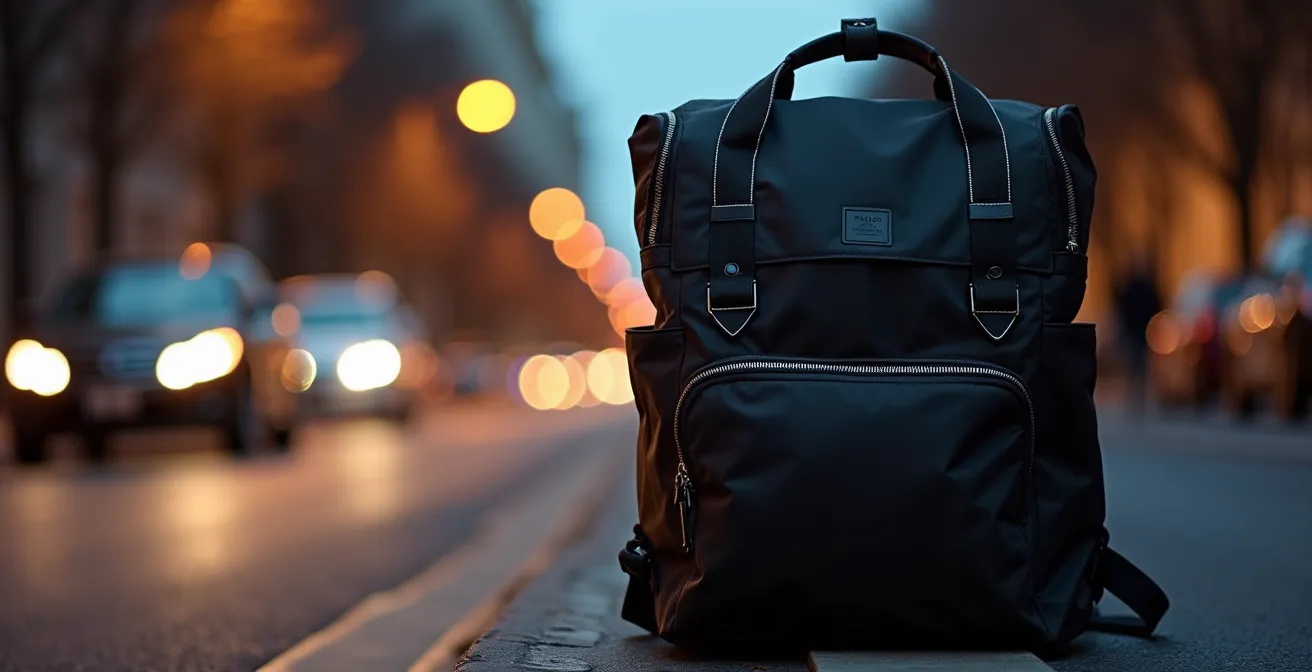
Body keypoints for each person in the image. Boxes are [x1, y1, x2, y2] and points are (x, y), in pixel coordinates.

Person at [1114, 252, 1163, 416]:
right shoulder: (1131, 286)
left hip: (1143, 329)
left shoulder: (1146, 286)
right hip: (1133, 329)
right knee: (1134, 364)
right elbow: (1123, 307)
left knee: (1142, 364)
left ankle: (1140, 396)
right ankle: (1134, 396)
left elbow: (1155, 305)